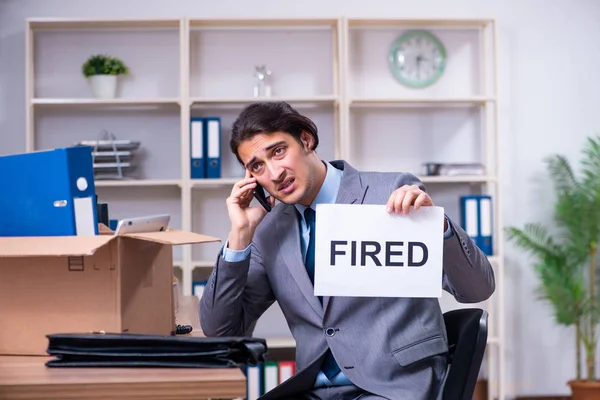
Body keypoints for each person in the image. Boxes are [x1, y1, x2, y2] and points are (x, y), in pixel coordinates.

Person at [199, 101, 495, 400]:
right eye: (257, 166)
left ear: (306, 140)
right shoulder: (270, 231)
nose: (274, 174)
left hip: (395, 387)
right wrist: (240, 235)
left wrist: (437, 225)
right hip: (313, 391)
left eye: (278, 151)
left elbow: (476, 289)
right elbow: (222, 334)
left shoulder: (390, 192)